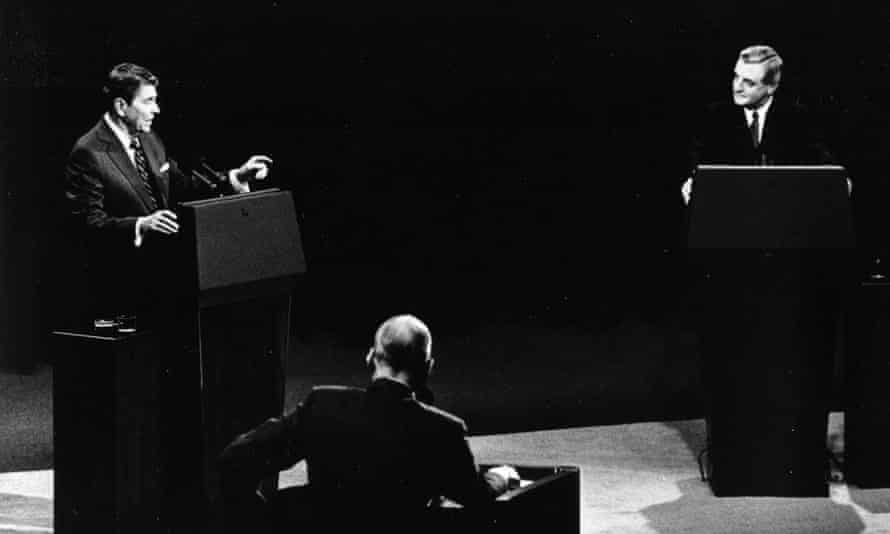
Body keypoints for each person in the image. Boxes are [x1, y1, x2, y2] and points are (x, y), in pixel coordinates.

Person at [218, 314, 519, 532]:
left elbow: (236, 458)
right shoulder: (443, 429)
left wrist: (266, 519)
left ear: (371, 357)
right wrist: (501, 477)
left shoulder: (323, 404)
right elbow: (476, 497)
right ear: (428, 367)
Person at [64, 62, 273, 318]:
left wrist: (235, 177)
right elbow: (88, 226)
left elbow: (183, 186)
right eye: (148, 101)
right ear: (121, 106)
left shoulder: (149, 139)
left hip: (166, 279)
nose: (157, 109)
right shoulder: (88, 152)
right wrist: (141, 224)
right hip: (123, 291)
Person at [681, 44, 839, 204]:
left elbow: (823, 163)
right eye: (736, 77)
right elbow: (697, 164)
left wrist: (839, 183)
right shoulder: (714, 118)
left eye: (749, 83)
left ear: (771, 87)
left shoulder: (797, 119)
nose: (737, 87)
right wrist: (690, 182)